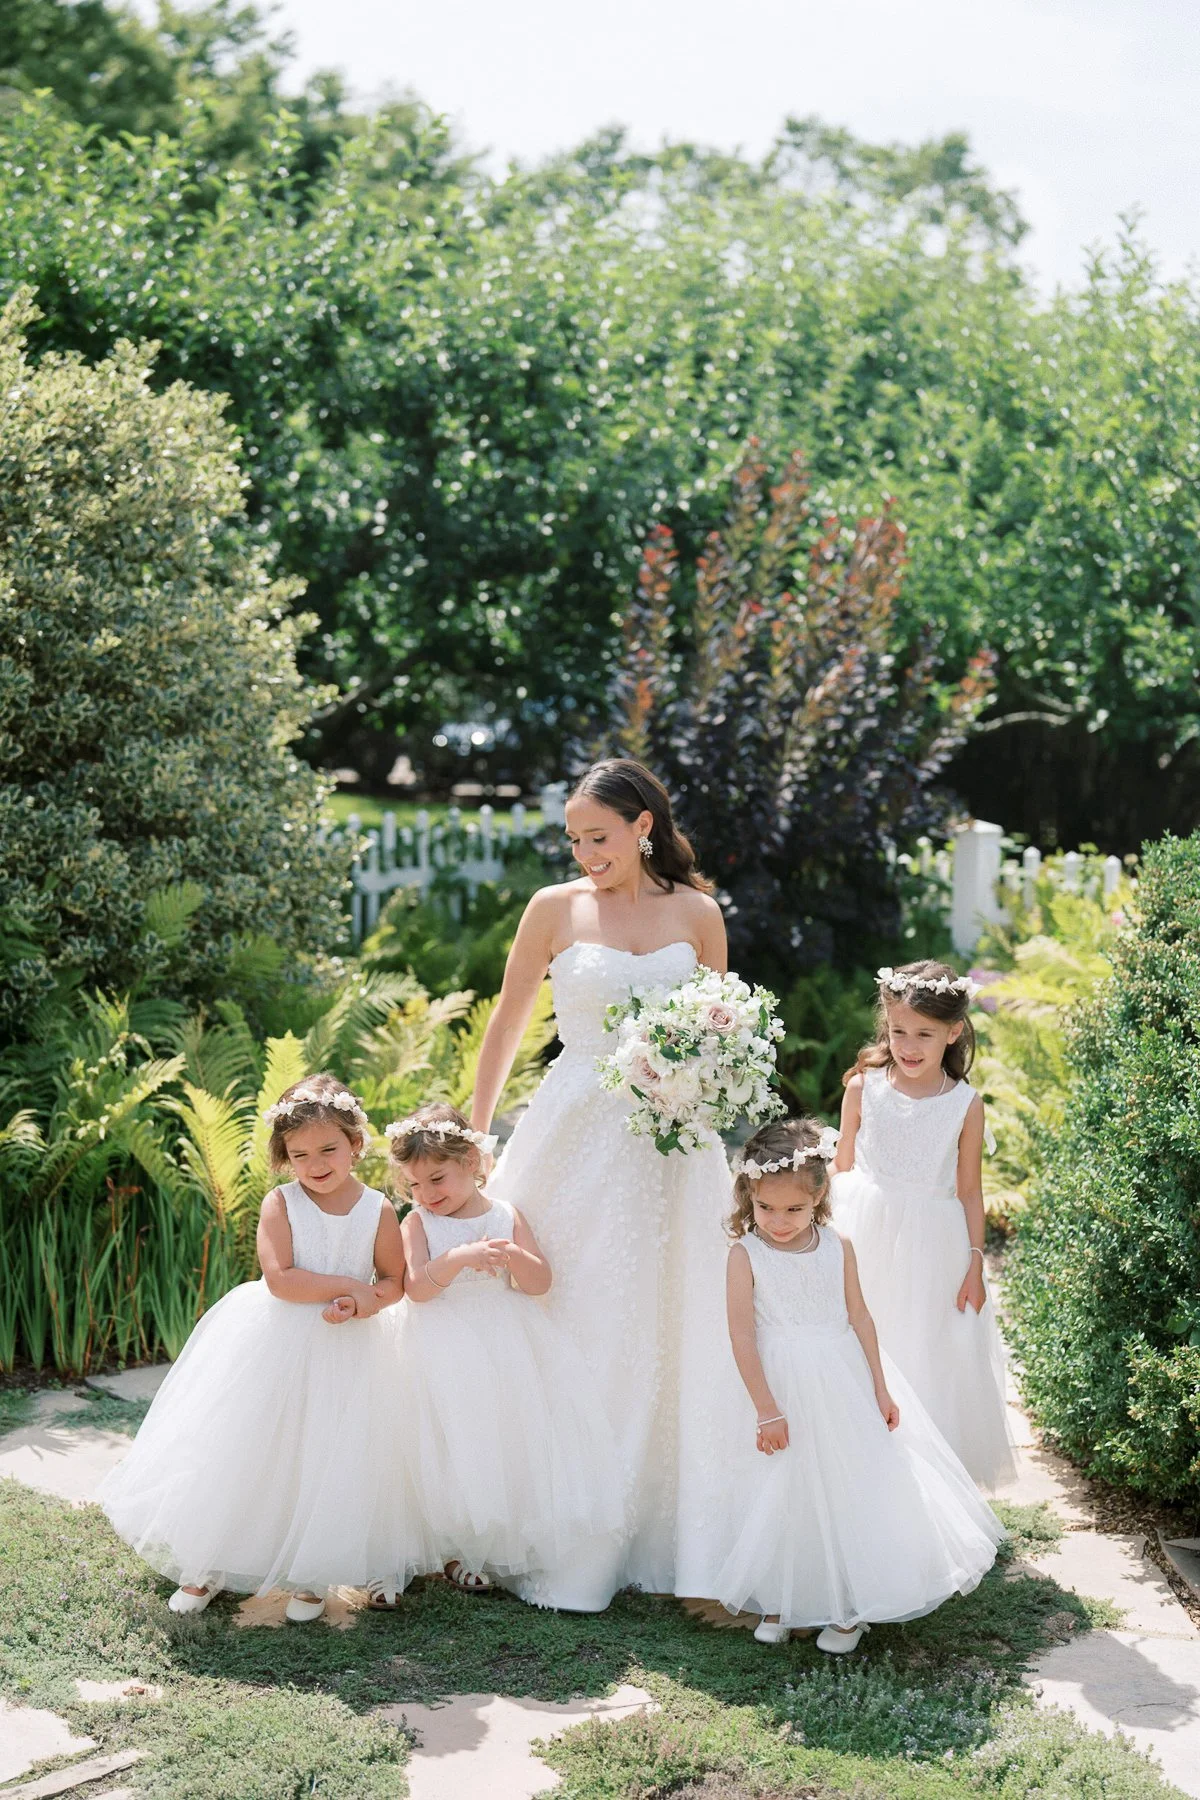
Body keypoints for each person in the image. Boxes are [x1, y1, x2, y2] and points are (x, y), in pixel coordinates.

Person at [473, 757, 749, 1608]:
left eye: (599, 837)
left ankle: (660, 1525)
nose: (585, 854)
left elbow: (721, 1034)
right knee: (567, 1298)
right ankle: (543, 1516)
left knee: (669, 1314)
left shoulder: (698, 914)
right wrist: (476, 1133)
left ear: (643, 827)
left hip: (671, 1144)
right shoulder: (552, 909)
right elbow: (509, 1020)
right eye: (574, 840)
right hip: (572, 1130)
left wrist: (697, 1087)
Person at [99, 1073, 428, 1621]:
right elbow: (281, 1279)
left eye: (328, 1149)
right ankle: (207, 1562)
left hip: (350, 1350)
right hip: (277, 1342)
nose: (315, 1163)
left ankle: (310, 1572)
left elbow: (393, 1281)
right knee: (249, 1449)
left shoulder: (378, 1210)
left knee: (327, 1453)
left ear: (354, 1143)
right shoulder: (282, 1203)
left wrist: (362, 1305)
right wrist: (347, 1285)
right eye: (300, 1155)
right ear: (284, 1156)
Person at [716, 1117, 1005, 1649]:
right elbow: (741, 1335)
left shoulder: (838, 1246)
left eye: (794, 1209)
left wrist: (880, 1387)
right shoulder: (744, 1255)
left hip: (839, 1379)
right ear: (748, 1198)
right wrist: (766, 1408)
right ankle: (782, 1597)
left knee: (847, 1487)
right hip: (777, 1385)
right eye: (765, 1208)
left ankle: (848, 1608)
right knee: (781, 1491)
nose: (779, 1221)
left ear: (818, 1196)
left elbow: (860, 1317)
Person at [387, 1103, 624, 1599]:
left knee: (497, 1438)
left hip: (502, 1340)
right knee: (446, 1441)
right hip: (441, 1343)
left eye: (437, 1179)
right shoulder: (417, 1224)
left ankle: (486, 1546)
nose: (426, 1194)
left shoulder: (505, 1215)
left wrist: (514, 1254)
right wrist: (457, 1258)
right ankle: (448, 1548)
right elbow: (417, 1288)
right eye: (415, 1185)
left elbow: (540, 1283)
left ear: (471, 1162)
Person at [832, 961, 1017, 1489]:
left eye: (924, 1035)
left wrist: (975, 1263)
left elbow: (969, 1191)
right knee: (864, 1335)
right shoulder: (862, 1088)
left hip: (933, 1245)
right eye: (898, 1032)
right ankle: (861, 1464)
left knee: (923, 1348)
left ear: (953, 1032)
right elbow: (842, 1167)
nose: (908, 1047)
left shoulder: (964, 1105)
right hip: (864, 1229)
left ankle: (925, 1475)